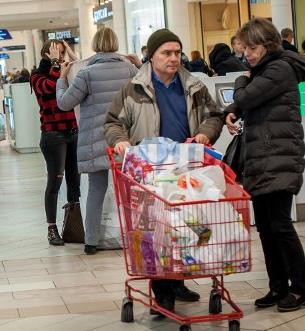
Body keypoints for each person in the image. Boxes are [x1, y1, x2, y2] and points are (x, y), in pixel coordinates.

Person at [104, 28, 224, 314]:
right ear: (151, 55)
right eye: (166, 53)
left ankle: (178, 279)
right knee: (155, 231)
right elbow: (112, 122)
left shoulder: (193, 85)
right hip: (149, 171)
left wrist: (206, 133)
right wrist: (120, 140)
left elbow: (214, 116)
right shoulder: (133, 88)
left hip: (186, 169)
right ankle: (163, 294)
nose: (173, 58)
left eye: (177, 52)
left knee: (187, 226)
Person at [224, 18, 305, 312]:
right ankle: (278, 287)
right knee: (266, 227)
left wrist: (240, 81)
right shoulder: (267, 69)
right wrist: (234, 108)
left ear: (269, 44)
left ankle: (300, 289)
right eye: (244, 47)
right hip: (264, 157)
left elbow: (245, 95)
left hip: (278, 157)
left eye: (252, 47)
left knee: (281, 226)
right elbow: (248, 101)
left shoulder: (279, 68)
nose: (246, 53)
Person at [56, 28, 140, 255]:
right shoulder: (129, 69)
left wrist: (62, 79)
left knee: (96, 191)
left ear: (95, 45)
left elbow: (65, 103)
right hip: (124, 139)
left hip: (96, 140)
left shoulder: (87, 73)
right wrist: (139, 66)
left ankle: (91, 242)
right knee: (129, 191)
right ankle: (133, 238)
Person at [31, 38, 80, 246]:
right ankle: (51, 228)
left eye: (62, 53)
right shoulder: (37, 75)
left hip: (73, 131)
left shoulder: (68, 70)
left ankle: (75, 226)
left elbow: (85, 75)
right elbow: (48, 88)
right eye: (56, 53)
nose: (60, 57)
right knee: (55, 182)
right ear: (46, 54)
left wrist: (74, 58)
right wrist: (54, 65)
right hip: (53, 135)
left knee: (74, 181)